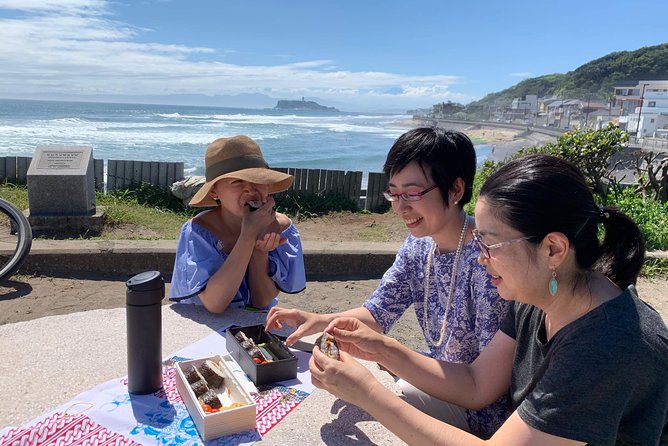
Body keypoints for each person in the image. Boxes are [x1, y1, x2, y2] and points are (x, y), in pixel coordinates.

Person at [309, 154, 668, 445]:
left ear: (553, 249)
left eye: (490, 244)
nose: (480, 257)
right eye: (478, 240)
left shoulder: (607, 345)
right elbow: (477, 384)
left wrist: (368, 392)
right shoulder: (539, 294)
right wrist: (382, 348)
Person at [266, 127, 509, 437]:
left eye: (412, 193)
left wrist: (382, 363)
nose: (399, 206)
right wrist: (318, 319)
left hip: (482, 415)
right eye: (393, 192)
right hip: (438, 381)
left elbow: (485, 387)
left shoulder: (489, 262)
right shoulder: (419, 245)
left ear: (456, 190)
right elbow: (379, 313)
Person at [169, 135, 306, 313]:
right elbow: (215, 304)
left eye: (258, 180)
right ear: (214, 193)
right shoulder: (198, 231)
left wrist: (259, 253)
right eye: (237, 181)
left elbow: (261, 301)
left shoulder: (281, 228)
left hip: (251, 326)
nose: (250, 189)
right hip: (204, 325)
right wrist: (248, 237)